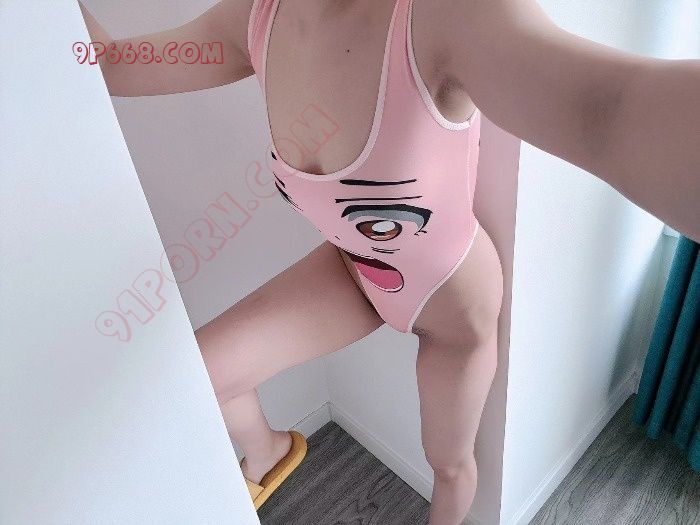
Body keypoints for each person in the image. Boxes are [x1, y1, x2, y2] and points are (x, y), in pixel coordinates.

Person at [80, 1, 699, 523]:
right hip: (356, 272)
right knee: (205, 374)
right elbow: (110, 64)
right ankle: (266, 453)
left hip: (451, 304)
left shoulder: (447, 16)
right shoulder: (257, 17)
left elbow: (612, 110)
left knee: (449, 466)